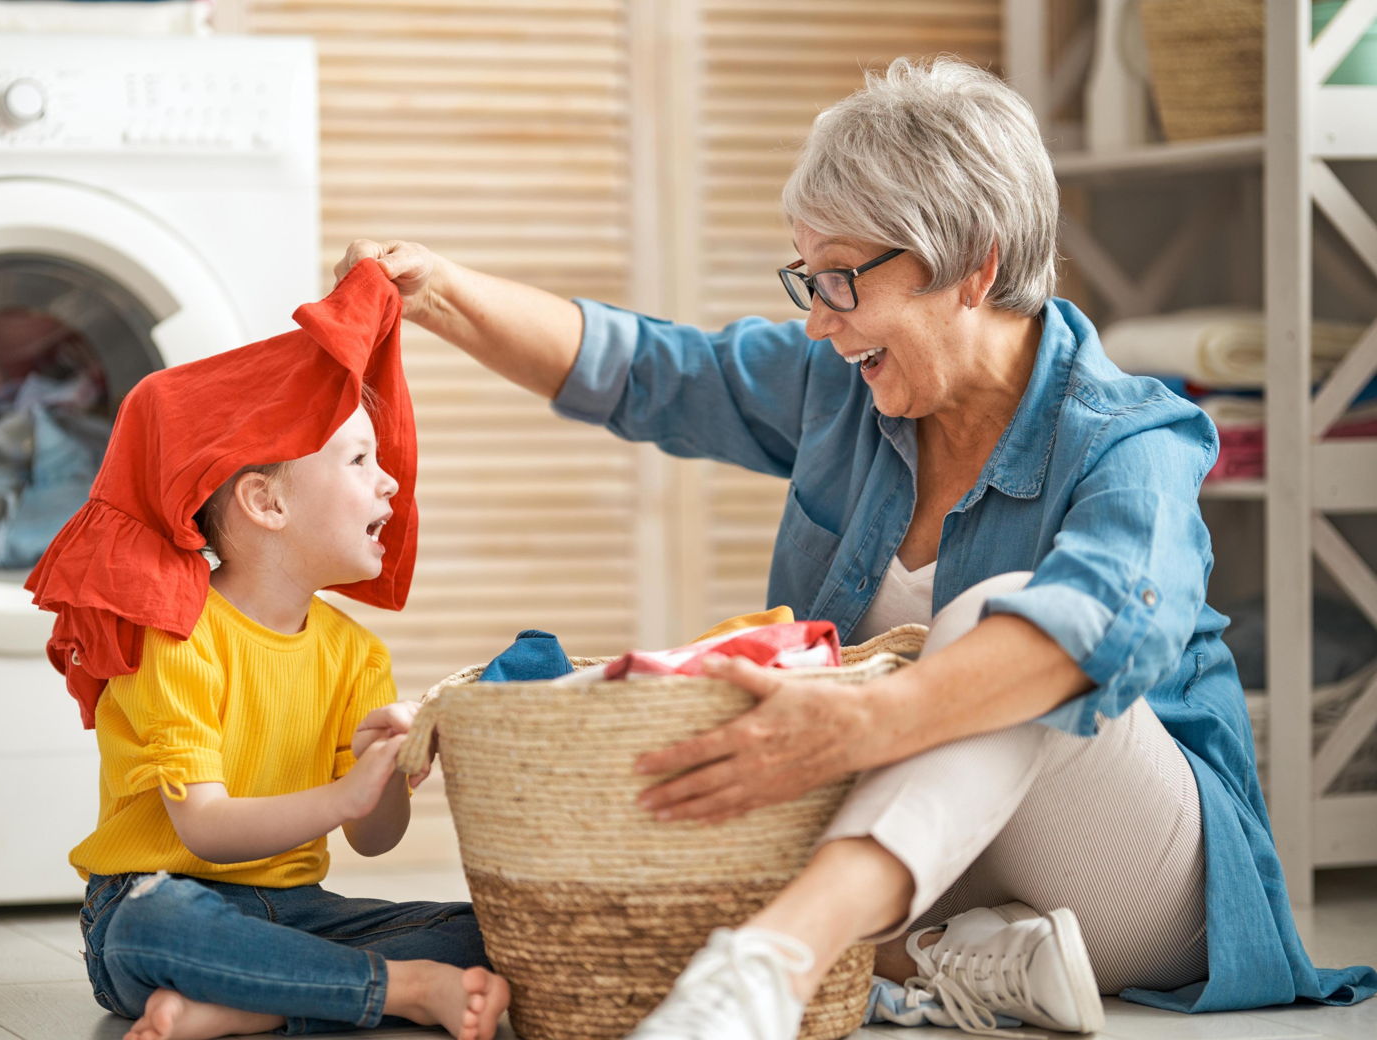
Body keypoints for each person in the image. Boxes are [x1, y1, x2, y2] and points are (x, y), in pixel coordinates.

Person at [334, 57, 1376, 1040]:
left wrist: (864, 720)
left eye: (842, 279)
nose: (819, 322)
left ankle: (780, 962)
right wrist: (440, 293)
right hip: (942, 857)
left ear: (977, 266)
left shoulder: (1130, 439)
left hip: (1147, 883)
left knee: (992, 621)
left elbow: (1102, 624)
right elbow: (648, 371)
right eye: (809, 277)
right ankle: (971, 957)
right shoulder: (847, 392)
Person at [25, 260, 510, 1040]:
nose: (390, 484)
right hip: (159, 895)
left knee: (484, 927)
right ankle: (397, 988)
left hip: (296, 914)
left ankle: (245, 1004)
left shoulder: (355, 653)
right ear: (266, 500)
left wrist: (384, 773)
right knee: (155, 927)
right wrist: (342, 798)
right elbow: (206, 830)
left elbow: (371, 839)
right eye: (359, 461)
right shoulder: (175, 634)